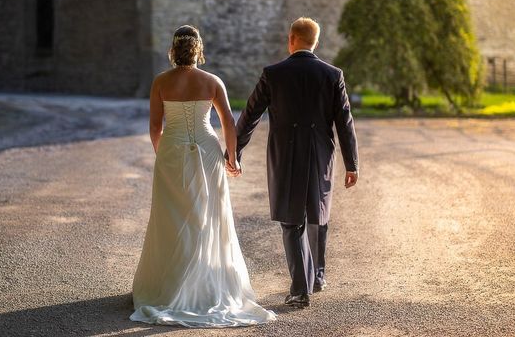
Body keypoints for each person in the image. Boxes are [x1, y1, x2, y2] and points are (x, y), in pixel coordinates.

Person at [130, 25, 275, 327]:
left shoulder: (160, 82)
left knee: (172, 217)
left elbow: (155, 127)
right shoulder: (212, 81)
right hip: (208, 153)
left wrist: (165, 155)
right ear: (198, 50)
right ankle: (207, 285)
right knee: (209, 216)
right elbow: (228, 123)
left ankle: (167, 286)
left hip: (172, 149)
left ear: (173, 50)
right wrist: (232, 157)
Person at [228, 17, 360, 308]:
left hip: (285, 155)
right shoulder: (332, 74)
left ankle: (300, 290)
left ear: (291, 39)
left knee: (291, 221)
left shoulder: (273, 74)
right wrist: (352, 164)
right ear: (316, 41)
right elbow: (345, 123)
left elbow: (249, 115)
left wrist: (234, 152)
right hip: (320, 154)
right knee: (318, 214)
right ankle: (317, 277)